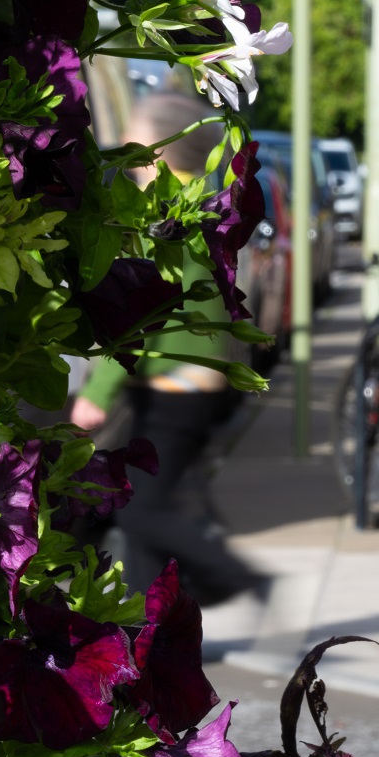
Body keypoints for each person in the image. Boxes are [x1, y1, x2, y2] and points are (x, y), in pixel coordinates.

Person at [77, 88, 268, 605]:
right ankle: (150, 626)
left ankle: (237, 578)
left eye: (135, 141)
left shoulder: (166, 210)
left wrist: (99, 388)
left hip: (177, 383)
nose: (126, 151)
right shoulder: (200, 200)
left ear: (157, 149)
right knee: (143, 515)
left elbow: (142, 310)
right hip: (187, 379)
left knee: (141, 510)